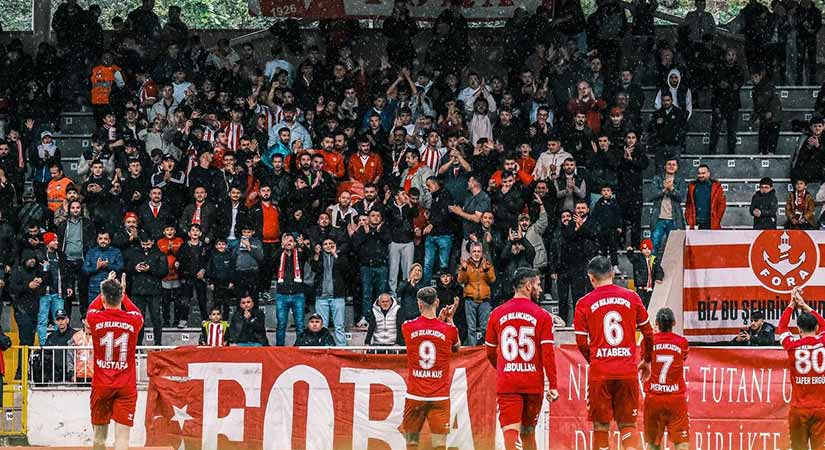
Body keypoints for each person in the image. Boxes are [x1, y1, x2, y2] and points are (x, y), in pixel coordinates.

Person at [573, 256, 654, 450]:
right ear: (612, 274)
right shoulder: (632, 297)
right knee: (628, 425)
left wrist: (595, 360)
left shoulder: (584, 303)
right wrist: (647, 360)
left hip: (600, 373)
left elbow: (581, 342)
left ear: (591, 278)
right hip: (626, 372)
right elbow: (649, 333)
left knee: (601, 425)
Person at [484, 267, 558, 450]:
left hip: (508, 382)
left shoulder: (497, 313)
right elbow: (548, 353)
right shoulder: (542, 315)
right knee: (528, 433)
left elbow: (490, 352)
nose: (540, 290)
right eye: (538, 285)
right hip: (533, 383)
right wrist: (554, 385)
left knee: (511, 434)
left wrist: (504, 367)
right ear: (528, 285)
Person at [86, 272, 143, 450]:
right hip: (126, 386)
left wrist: (106, 289)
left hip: (102, 385)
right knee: (122, 441)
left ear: (103, 298)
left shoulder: (95, 318)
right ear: (121, 296)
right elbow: (136, 311)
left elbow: (92, 308)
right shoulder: (134, 319)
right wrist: (122, 292)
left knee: (99, 438)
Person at [401, 286, 460, 450]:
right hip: (439, 397)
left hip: (415, 395)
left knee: (411, 442)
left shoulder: (407, 327)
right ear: (437, 302)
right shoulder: (449, 330)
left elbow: (426, 333)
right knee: (439, 445)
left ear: (419, 304)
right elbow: (456, 347)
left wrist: (438, 322)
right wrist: (448, 319)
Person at [777, 287, 825, 450]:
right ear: (817, 328)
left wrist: (792, 304)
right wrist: (805, 306)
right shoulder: (823, 342)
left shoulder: (792, 346)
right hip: (822, 409)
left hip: (799, 409)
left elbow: (782, 328)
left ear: (798, 330)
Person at [643, 308, 689, 450]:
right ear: (674, 323)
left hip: (654, 398)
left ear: (656, 323)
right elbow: (683, 358)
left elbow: (645, 361)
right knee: (681, 442)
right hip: (675, 399)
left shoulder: (648, 342)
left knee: (653, 443)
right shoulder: (682, 342)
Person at [123, 231, 167, 345]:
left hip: (154, 291)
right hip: (138, 291)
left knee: (156, 318)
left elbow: (164, 271)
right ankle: (137, 345)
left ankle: (158, 344)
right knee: (138, 319)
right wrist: (135, 267)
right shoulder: (135, 253)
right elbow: (126, 268)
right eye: (143, 244)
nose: (145, 246)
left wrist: (150, 269)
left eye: (147, 244)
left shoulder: (159, 254)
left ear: (152, 242)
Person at [310, 238, 348, 346]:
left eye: (330, 243)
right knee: (323, 326)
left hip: (338, 296)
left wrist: (335, 254)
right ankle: (324, 348)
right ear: (322, 247)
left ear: (335, 245)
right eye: (325, 244)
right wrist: (316, 255)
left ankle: (342, 349)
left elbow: (346, 269)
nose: (328, 246)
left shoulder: (340, 256)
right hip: (321, 296)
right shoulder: (319, 257)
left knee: (339, 326)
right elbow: (314, 269)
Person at [273, 233, 307, 346]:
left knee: (300, 324)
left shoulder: (300, 255)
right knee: (281, 324)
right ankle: (279, 349)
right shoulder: (279, 255)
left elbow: (308, 255)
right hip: (282, 294)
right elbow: (270, 261)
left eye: (291, 240)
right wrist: (281, 248)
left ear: (295, 243)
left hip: (298, 294)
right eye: (286, 240)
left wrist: (303, 246)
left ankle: (300, 348)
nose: (288, 243)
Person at [684, 164, 726, 230]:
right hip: (696, 224)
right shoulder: (692, 187)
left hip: (711, 224)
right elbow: (688, 205)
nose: (701, 175)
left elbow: (722, 205)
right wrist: (689, 220)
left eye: (703, 173)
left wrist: (717, 220)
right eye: (699, 173)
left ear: (708, 174)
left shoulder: (716, 187)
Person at [625, 239, 663, 307]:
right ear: (641, 250)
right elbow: (631, 257)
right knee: (640, 305)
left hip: (650, 287)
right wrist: (629, 251)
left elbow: (659, 270)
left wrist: (659, 278)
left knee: (650, 305)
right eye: (644, 249)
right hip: (640, 288)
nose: (647, 251)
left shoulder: (654, 259)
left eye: (649, 249)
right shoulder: (638, 258)